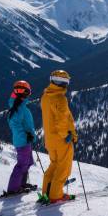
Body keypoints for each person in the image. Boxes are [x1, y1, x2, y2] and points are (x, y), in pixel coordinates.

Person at [39, 70, 78, 204]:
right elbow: (62, 121)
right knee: (63, 168)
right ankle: (56, 195)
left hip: (49, 139)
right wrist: (68, 135)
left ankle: (46, 192)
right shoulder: (60, 98)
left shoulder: (45, 97)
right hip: (61, 140)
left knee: (54, 165)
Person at [4, 80, 37, 196]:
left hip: (25, 140)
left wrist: (29, 135)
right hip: (22, 142)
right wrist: (25, 136)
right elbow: (15, 125)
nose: (27, 94)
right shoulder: (18, 108)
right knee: (22, 164)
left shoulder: (19, 106)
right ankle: (13, 188)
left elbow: (24, 124)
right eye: (26, 92)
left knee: (28, 162)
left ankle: (21, 184)